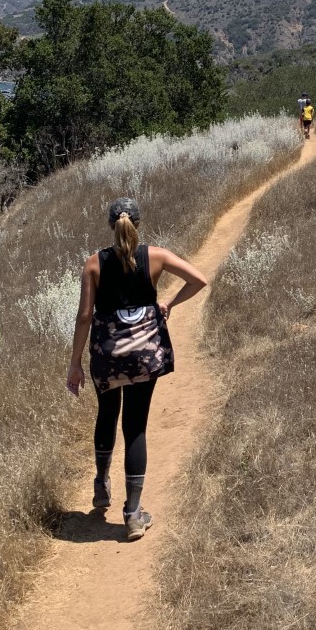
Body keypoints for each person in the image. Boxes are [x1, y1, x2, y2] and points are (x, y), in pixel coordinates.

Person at [67, 197, 208, 541]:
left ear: (110, 225)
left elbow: (84, 317)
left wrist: (75, 363)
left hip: (107, 357)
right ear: (138, 224)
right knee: (135, 428)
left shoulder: (94, 263)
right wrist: (169, 303)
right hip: (144, 357)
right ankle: (133, 515)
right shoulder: (156, 256)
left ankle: (102, 484)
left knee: (106, 413)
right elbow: (198, 280)